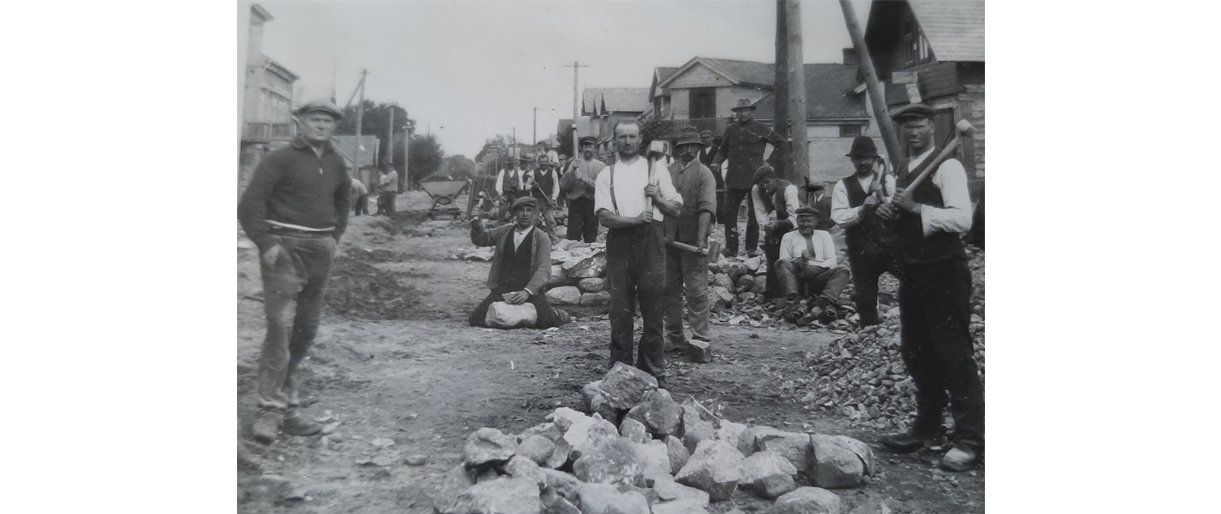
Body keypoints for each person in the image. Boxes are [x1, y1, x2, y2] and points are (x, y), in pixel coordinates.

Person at [875, 103, 983, 471]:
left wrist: (916, 207)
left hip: (944, 273)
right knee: (917, 352)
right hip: (914, 273)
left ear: (932, 128)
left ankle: (970, 439)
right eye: (907, 126)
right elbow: (901, 221)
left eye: (919, 125)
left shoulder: (948, 165)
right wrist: (889, 213)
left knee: (953, 353)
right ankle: (927, 428)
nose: (913, 132)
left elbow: (962, 219)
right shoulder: (902, 169)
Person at [237, 99, 350, 444]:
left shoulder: (336, 162)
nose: (321, 126)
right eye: (314, 119)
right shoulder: (280, 159)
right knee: (280, 330)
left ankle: (288, 408)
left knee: (305, 330)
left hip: (320, 251)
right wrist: (267, 244)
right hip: (285, 251)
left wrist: (334, 238)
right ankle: (269, 411)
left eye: (327, 121)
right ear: (300, 121)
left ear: (333, 126)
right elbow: (249, 205)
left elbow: (343, 201)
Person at [595, 120, 683, 385]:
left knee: (654, 307)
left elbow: (676, 209)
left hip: (651, 242)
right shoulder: (606, 174)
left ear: (641, 139)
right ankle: (620, 368)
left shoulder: (656, 169)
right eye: (622, 137)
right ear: (614, 141)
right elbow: (604, 217)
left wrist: (657, 199)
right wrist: (634, 219)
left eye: (632, 136)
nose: (627, 142)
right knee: (620, 310)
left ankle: (653, 369)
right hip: (620, 243)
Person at [468, 197, 571, 329]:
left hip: (530, 292)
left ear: (536, 214)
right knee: (476, 319)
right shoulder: (504, 231)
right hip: (503, 290)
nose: (525, 214)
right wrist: (476, 224)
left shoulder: (541, 237)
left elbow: (543, 269)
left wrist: (527, 292)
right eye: (521, 210)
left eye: (529, 210)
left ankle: (557, 314)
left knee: (545, 322)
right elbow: (481, 240)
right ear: (515, 213)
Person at [831, 136, 899, 326]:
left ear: (875, 159)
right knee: (865, 295)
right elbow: (839, 218)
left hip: (889, 244)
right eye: (858, 158)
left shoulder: (887, 181)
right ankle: (870, 333)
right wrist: (861, 209)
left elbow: (896, 209)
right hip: (860, 248)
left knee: (912, 278)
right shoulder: (842, 186)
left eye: (867, 158)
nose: (862, 162)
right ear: (852, 160)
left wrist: (882, 196)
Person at [663, 129, 717, 360]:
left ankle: (700, 338)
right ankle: (674, 336)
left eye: (692, 146)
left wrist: (700, 240)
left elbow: (706, 208)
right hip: (668, 241)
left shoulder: (705, 174)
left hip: (693, 240)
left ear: (698, 148)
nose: (687, 150)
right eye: (682, 146)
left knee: (696, 290)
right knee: (669, 289)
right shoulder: (667, 172)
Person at [713, 98, 786, 257]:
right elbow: (722, 150)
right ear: (736, 113)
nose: (743, 114)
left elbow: (781, 143)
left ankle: (751, 248)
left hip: (755, 178)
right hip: (734, 179)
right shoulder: (731, 130)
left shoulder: (761, 128)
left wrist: (770, 163)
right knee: (729, 213)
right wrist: (716, 162)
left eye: (746, 110)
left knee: (754, 214)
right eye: (740, 111)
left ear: (751, 112)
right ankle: (731, 248)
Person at [774, 207, 850, 307]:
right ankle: (792, 298)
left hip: (818, 278)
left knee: (843, 270)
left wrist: (816, 268)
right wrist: (799, 263)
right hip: (798, 280)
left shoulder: (824, 235)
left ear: (816, 222)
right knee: (780, 263)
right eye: (802, 221)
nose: (805, 224)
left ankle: (825, 299)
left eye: (809, 221)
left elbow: (832, 261)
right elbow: (784, 260)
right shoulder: (788, 237)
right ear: (797, 221)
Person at [751, 164, 800, 299]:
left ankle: (790, 292)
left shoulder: (789, 190)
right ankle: (772, 292)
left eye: (767, 182)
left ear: (774, 179)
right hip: (773, 226)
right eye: (762, 184)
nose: (764, 186)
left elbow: (795, 217)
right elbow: (760, 212)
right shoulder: (756, 189)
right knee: (771, 255)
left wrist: (780, 224)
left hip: (790, 226)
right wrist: (768, 226)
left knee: (786, 258)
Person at [560, 136, 605, 243]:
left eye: (590, 146)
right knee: (573, 236)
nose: (588, 149)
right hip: (576, 203)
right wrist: (572, 171)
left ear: (595, 148)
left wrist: (583, 179)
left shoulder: (600, 166)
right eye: (585, 146)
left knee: (591, 236)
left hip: (592, 203)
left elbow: (602, 187)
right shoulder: (574, 163)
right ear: (582, 148)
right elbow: (564, 185)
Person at [528, 154, 561, 242]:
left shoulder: (553, 172)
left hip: (548, 200)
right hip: (536, 200)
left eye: (545, 162)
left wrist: (553, 198)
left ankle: (553, 238)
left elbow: (556, 187)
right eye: (541, 162)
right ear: (538, 162)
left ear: (548, 162)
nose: (543, 164)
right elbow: (526, 186)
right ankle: (529, 238)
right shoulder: (533, 173)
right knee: (533, 219)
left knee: (550, 220)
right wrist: (532, 186)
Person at [698, 130, 724, 224]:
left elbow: (724, 165)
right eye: (703, 138)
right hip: (705, 180)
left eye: (708, 137)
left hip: (717, 178)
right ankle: (710, 220)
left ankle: (721, 221)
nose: (706, 140)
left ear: (712, 138)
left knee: (719, 201)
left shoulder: (718, 150)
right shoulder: (700, 151)